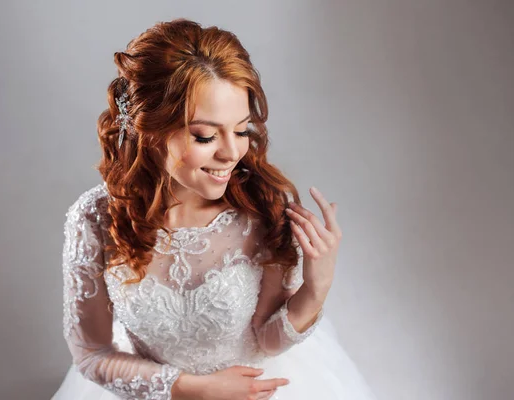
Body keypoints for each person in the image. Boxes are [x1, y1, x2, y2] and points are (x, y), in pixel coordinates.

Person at [52, 18, 377, 400]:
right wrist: (190, 389)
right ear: (150, 130)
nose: (230, 153)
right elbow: (91, 354)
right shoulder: (95, 218)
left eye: (241, 131)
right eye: (205, 135)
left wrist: (317, 284)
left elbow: (268, 340)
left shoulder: (263, 209)